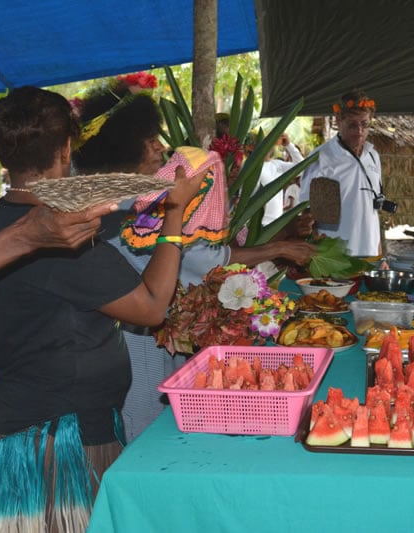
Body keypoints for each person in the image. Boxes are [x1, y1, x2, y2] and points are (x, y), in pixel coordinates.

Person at [0, 86, 205, 532]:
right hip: (64, 437)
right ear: (65, 149)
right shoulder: (58, 238)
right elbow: (153, 306)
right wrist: (175, 210)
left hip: (29, 421)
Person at [72, 78, 316, 441]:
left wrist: (276, 247)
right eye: (150, 140)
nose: (160, 148)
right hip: (138, 345)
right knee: (148, 437)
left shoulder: (126, 197)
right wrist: (275, 249)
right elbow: (200, 262)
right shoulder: (132, 208)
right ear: (123, 146)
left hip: (150, 338)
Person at [299, 89, 384, 257]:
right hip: (336, 256)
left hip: (371, 252)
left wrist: (379, 250)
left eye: (365, 124)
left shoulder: (373, 156)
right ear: (338, 120)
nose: (359, 131)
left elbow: (372, 208)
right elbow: (306, 211)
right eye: (352, 125)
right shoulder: (321, 158)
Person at [253, 132, 304, 225]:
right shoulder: (251, 168)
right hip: (259, 223)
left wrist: (289, 145)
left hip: (276, 222)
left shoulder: (277, 164)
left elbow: (301, 167)